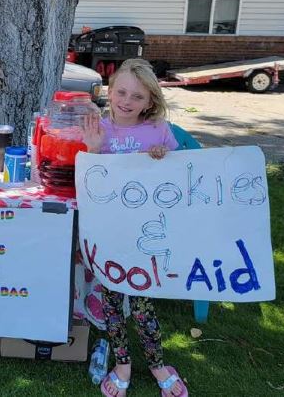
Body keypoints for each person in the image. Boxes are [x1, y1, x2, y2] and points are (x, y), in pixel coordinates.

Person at [82, 59, 189, 397]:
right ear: (109, 92)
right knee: (112, 299)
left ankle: (157, 364)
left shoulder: (157, 131)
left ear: (150, 102)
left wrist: (163, 158)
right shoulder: (97, 128)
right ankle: (123, 362)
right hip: (109, 232)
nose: (127, 102)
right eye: (122, 93)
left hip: (146, 233)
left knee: (142, 301)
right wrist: (94, 149)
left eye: (137, 97)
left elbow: (179, 176)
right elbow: (89, 180)